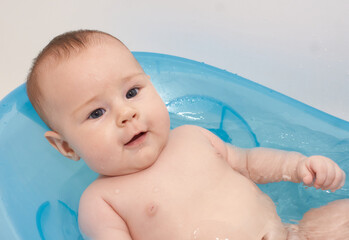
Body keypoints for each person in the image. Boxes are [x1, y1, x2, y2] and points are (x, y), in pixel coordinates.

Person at [26, 30, 348, 240]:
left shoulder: (193, 137)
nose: (127, 114)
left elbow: (250, 163)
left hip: (288, 234)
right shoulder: (102, 203)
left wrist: (298, 167)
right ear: (66, 147)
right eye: (97, 113)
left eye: (132, 92)